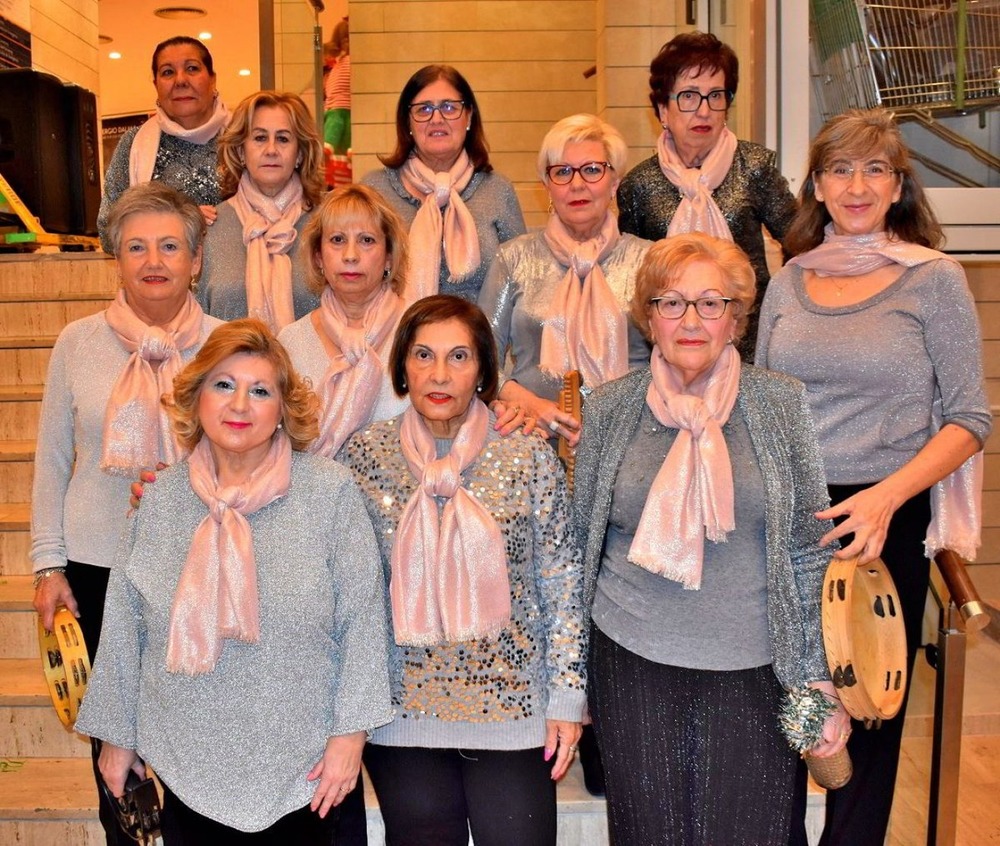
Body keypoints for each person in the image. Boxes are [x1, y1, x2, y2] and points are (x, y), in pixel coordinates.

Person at [755, 108, 992, 846]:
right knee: (794, 706)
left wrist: (889, 497)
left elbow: (969, 419)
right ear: (817, 187)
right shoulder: (788, 282)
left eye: (875, 169)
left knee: (870, 709)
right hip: (793, 513)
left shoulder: (936, 280)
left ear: (898, 187)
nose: (856, 185)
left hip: (885, 511)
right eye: (839, 170)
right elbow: (763, 405)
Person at [574, 233, 850, 845]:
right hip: (632, 660)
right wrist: (569, 686)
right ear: (649, 318)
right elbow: (579, 548)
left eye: (710, 303)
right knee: (649, 834)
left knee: (750, 833)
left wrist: (815, 675)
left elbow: (810, 548)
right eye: (671, 303)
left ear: (735, 318)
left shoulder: (780, 403)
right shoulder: (611, 407)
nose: (690, 320)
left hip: (756, 666)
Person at [76, 319, 393, 842]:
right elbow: (126, 624)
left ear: (283, 410)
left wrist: (350, 735)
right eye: (223, 385)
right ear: (196, 396)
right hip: (187, 756)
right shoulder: (160, 500)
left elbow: (362, 620)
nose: (240, 405)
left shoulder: (330, 493)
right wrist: (117, 736)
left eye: (260, 391)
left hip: (306, 766)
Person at [340, 295, 586, 846]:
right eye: (423, 355)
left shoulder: (525, 452)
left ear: (483, 371)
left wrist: (567, 697)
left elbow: (561, 580)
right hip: (401, 713)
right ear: (401, 366)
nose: (439, 374)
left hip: (514, 710)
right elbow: (344, 591)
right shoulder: (363, 457)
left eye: (459, 357)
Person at [31, 182, 222, 844]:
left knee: (198, 731)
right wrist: (47, 563)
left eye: (170, 245)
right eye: (136, 246)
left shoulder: (231, 345)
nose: (154, 261)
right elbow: (53, 459)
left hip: (201, 564)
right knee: (118, 753)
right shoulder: (76, 343)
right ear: (116, 258)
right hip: (98, 562)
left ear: (196, 260)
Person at [615, 31, 796, 356]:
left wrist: (783, 306)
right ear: (662, 110)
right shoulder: (638, 185)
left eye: (716, 96)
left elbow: (802, 242)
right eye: (688, 96)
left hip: (751, 347)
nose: (703, 110)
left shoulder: (755, 166)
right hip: (671, 349)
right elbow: (631, 279)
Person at [479, 113, 651, 448]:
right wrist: (529, 404)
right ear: (546, 185)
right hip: (530, 439)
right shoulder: (513, 259)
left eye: (591, 170)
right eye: (562, 172)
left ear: (614, 181)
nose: (577, 184)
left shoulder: (649, 261)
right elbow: (482, 360)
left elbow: (671, 362)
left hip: (629, 441)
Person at [361, 64, 526, 302]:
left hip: (480, 336)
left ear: (469, 116)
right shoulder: (375, 190)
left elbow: (520, 281)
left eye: (449, 107)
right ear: (408, 122)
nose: (436, 119)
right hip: (393, 336)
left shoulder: (498, 190)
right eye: (423, 109)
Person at [197, 91, 324, 330]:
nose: (271, 149)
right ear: (241, 151)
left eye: (284, 139)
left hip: (315, 367)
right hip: (225, 366)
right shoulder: (209, 227)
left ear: (300, 153)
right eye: (259, 138)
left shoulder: (328, 224)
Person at [98, 36, 229, 253]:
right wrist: (178, 223)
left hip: (237, 282)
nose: (180, 80)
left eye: (192, 68)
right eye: (168, 72)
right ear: (156, 85)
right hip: (158, 281)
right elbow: (107, 232)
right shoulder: (133, 144)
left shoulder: (243, 138)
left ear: (212, 79)